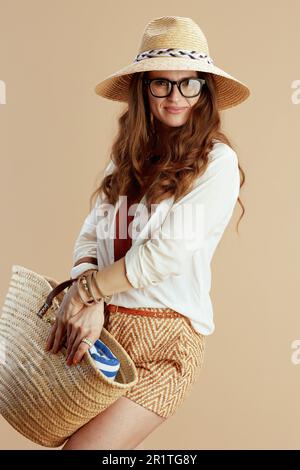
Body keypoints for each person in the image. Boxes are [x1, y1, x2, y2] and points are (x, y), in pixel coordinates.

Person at [45, 16, 250, 450]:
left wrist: (84, 292)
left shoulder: (217, 163)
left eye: (188, 84)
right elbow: (90, 236)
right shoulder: (127, 159)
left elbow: (164, 256)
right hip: (104, 331)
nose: (176, 97)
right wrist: (91, 297)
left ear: (204, 90)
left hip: (166, 344)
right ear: (144, 89)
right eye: (162, 84)